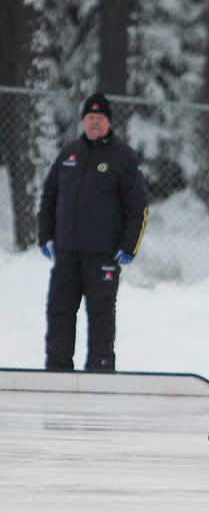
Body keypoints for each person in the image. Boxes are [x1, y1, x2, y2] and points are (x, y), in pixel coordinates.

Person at [36, 93, 149, 372]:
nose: (94, 123)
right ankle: (57, 366)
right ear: (83, 121)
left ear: (108, 122)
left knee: (100, 313)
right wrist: (46, 235)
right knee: (60, 309)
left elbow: (138, 206)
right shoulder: (69, 154)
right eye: (90, 118)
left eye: (100, 118)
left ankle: (100, 368)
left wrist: (128, 245)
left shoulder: (122, 157)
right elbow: (49, 195)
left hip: (103, 254)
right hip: (67, 252)